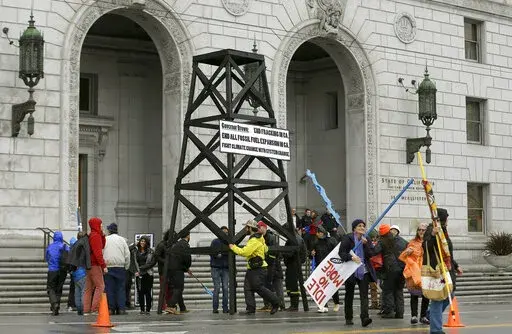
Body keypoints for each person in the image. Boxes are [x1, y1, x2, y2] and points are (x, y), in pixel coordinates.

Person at [229, 220, 280, 315]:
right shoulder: (260, 238)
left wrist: (233, 247)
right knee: (247, 288)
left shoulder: (254, 240)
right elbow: (266, 249)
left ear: (250, 228)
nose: (245, 229)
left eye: (246, 227)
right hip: (253, 268)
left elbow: (245, 252)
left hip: (258, 269)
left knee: (258, 287)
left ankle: (276, 302)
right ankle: (250, 308)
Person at [338, 219, 375, 327]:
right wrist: (352, 257)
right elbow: (342, 253)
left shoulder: (366, 238)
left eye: (363, 226)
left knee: (364, 295)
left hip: (364, 271)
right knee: (349, 294)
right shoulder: (348, 238)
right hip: (351, 271)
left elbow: (371, 254)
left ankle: (365, 317)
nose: (362, 227)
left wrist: (365, 245)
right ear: (354, 228)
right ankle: (348, 317)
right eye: (359, 226)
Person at [423, 220, 452, 334]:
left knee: (450, 294)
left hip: (446, 268)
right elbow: (426, 246)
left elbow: (447, 251)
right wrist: (432, 235)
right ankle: (436, 329)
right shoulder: (431, 230)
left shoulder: (443, 230)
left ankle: (431, 313)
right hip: (436, 270)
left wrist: (454, 264)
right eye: (446, 219)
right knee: (437, 298)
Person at [399, 222, 430, 325]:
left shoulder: (429, 242)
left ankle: (423, 316)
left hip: (426, 271)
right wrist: (407, 252)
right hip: (415, 272)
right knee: (414, 294)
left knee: (426, 295)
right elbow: (404, 256)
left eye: (423, 230)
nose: (421, 231)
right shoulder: (412, 242)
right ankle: (414, 316)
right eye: (419, 230)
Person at [375, 224, 406, 319]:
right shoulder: (403, 242)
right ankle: (400, 313)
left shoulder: (383, 241)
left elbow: (374, 251)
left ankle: (389, 311)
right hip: (402, 269)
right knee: (399, 290)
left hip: (390, 269)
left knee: (388, 290)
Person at [310, 226, 340, 313]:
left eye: (318, 232)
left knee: (333, 286)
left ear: (322, 233)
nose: (316, 234)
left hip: (330, 266)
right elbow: (311, 254)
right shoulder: (315, 242)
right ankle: (323, 305)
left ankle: (336, 303)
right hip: (320, 267)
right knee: (322, 287)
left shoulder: (332, 240)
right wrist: (312, 254)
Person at [103, 223, 131, 315]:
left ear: (109, 231)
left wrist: (103, 266)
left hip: (108, 266)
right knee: (120, 288)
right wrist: (126, 266)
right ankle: (121, 308)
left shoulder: (105, 240)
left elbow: (102, 252)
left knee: (109, 288)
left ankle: (111, 309)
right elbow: (127, 254)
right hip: (120, 266)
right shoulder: (122, 240)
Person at [83, 217, 107, 315]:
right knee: (100, 286)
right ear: (96, 225)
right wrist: (103, 265)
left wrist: (103, 235)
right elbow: (98, 253)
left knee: (89, 288)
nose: (102, 225)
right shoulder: (95, 236)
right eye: (100, 224)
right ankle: (95, 309)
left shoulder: (92, 235)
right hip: (95, 265)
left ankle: (86, 309)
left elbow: (102, 246)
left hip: (89, 265)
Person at [166, 232, 192, 315]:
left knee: (177, 288)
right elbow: (187, 258)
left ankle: (182, 307)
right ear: (188, 235)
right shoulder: (185, 245)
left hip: (172, 269)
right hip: (178, 269)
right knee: (179, 288)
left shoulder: (177, 244)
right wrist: (187, 267)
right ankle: (170, 305)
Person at [283, 223, 307, 312]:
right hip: (291, 265)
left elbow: (291, 252)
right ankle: (293, 304)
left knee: (293, 285)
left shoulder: (295, 239)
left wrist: (282, 253)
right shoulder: (293, 238)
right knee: (289, 284)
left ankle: (294, 305)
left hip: (294, 265)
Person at [45, 230, 69, 315]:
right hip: (62, 271)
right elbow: (68, 258)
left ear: (54, 238)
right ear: (61, 237)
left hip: (52, 270)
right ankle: (56, 306)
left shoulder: (50, 247)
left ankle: (54, 304)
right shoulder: (65, 246)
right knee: (59, 289)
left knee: (51, 288)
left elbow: (47, 258)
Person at [210, 226, 229, 314]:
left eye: (226, 232)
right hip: (216, 267)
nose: (225, 234)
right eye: (223, 232)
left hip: (225, 268)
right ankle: (215, 308)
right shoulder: (215, 241)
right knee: (217, 288)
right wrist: (216, 255)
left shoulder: (228, 242)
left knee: (225, 288)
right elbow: (211, 252)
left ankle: (225, 308)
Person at [134, 235, 155, 315]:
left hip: (148, 273)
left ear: (147, 243)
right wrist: (134, 244)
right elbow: (134, 261)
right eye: (141, 241)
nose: (142, 242)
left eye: (144, 241)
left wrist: (142, 269)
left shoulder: (151, 251)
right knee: (140, 292)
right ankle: (142, 309)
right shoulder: (136, 251)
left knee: (148, 292)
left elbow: (151, 263)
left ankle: (148, 309)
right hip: (139, 274)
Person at [69, 232, 89, 315]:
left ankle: (79, 308)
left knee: (77, 292)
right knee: (83, 291)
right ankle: (83, 308)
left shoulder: (73, 247)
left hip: (75, 273)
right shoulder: (83, 247)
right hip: (82, 272)